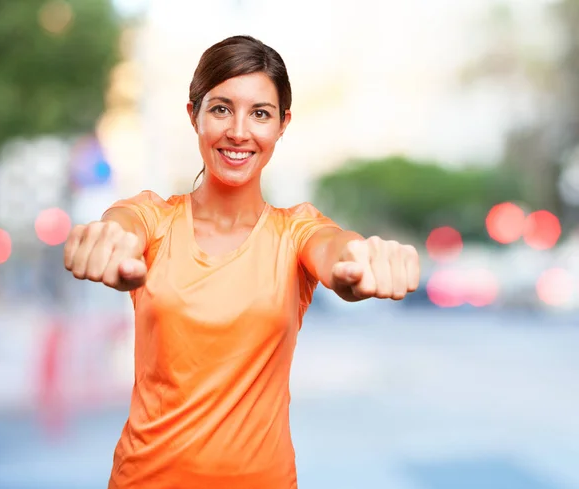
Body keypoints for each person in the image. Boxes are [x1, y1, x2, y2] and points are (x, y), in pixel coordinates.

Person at [64, 35, 420, 489]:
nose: (238, 131)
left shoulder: (296, 232)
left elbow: (336, 251)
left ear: (282, 124)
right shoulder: (151, 219)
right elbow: (121, 227)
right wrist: (106, 241)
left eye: (260, 114)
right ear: (193, 114)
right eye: (220, 109)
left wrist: (363, 262)